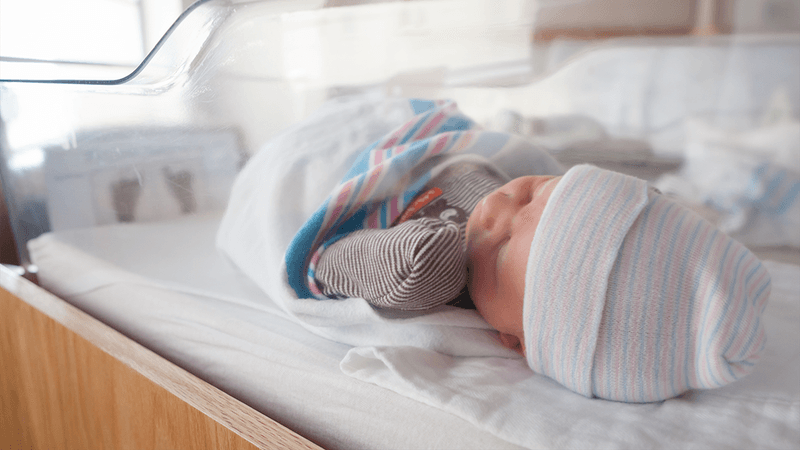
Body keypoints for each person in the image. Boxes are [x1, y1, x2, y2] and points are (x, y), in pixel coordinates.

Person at [286, 99, 771, 402]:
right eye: (538, 191)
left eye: (497, 255)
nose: (498, 207)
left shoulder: (438, 291)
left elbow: (329, 261)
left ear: (515, 340)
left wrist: (405, 267)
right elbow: (470, 154)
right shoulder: (500, 187)